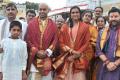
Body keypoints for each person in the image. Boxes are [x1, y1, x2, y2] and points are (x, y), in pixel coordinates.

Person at [53, 6, 90, 80]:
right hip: (67, 56)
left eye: (77, 12)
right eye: (73, 12)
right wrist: (71, 51)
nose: (75, 14)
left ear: (80, 14)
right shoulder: (65, 26)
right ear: (70, 14)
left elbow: (86, 42)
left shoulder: (85, 26)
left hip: (79, 58)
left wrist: (77, 54)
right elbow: (61, 42)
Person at [25, 3, 57, 80]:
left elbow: (55, 40)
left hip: (47, 57)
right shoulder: (31, 23)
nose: (42, 11)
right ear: (38, 10)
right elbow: (28, 39)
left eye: (44, 9)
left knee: (47, 77)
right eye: (40, 9)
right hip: (35, 58)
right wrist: (36, 51)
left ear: (48, 11)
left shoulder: (53, 24)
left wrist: (48, 51)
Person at [96, 7, 120, 80]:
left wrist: (116, 64)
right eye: (111, 17)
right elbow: (98, 50)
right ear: (108, 18)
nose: (113, 18)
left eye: (116, 16)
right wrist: (107, 63)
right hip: (104, 65)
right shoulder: (102, 32)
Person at [82, 10, 98, 80]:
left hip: (88, 53)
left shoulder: (93, 28)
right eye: (86, 15)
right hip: (77, 52)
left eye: (89, 16)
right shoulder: (77, 26)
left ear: (91, 18)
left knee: (88, 70)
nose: (87, 17)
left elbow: (96, 40)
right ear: (82, 17)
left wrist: (89, 43)